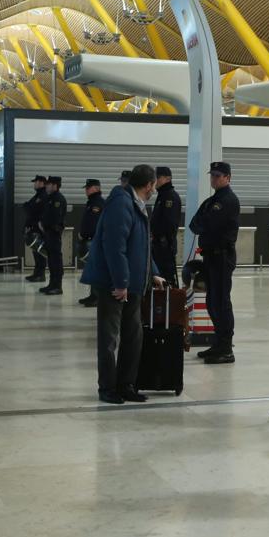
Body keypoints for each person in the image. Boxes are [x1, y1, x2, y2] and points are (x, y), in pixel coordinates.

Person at [80, 164, 165, 404]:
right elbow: (114, 247)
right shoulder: (121, 204)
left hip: (134, 284)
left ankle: (126, 384)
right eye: (153, 186)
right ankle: (107, 388)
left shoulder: (137, 205)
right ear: (148, 184)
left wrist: (153, 272)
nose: (154, 190)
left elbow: (141, 246)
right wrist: (121, 282)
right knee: (109, 338)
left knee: (133, 337)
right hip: (114, 285)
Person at [188, 161, 240, 364]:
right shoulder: (213, 201)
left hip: (222, 257)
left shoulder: (227, 200)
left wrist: (204, 224)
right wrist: (203, 224)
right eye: (213, 175)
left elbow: (207, 223)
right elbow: (195, 224)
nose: (214, 179)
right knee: (212, 301)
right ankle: (218, 343)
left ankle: (226, 347)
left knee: (221, 302)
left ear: (228, 178)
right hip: (211, 256)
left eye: (219, 176)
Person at [150, 166, 181, 288]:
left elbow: (170, 224)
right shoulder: (162, 196)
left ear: (167, 178)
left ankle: (169, 304)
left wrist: (163, 240)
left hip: (165, 245)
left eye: (157, 177)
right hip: (158, 244)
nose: (155, 181)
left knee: (167, 279)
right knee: (159, 278)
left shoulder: (170, 197)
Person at [77, 179, 105, 307]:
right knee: (92, 269)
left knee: (96, 269)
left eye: (89, 188)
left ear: (96, 188)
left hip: (94, 241)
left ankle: (98, 297)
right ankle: (93, 295)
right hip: (89, 240)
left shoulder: (98, 203)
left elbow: (95, 224)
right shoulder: (91, 202)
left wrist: (85, 234)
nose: (86, 190)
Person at [39, 176, 67, 295]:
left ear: (55, 185)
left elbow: (56, 218)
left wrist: (46, 225)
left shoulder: (58, 199)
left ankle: (57, 286)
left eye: (49, 184)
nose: (47, 186)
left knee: (56, 259)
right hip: (48, 233)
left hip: (54, 233)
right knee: (51, 259)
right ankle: (52, 283)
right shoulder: (50, 198)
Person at [23, 175, 48, 282]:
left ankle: (40, 274)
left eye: (36, 182)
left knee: (40, 251)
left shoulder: (43, 196)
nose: (35, 184)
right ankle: (36, 273)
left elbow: (33, 209)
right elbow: (29, 207)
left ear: (42, 183)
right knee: (35, 251)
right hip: (33, 227)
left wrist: (28, 207)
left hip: (39, 228)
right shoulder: (37, 195)